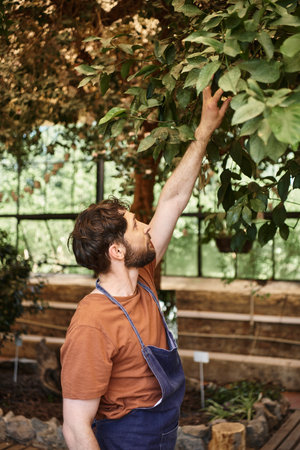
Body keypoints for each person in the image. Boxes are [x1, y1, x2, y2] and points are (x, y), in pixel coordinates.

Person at [60, 85, 231, 450]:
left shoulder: (145, 278)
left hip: (162, 435)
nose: (147, 228)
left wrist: (203, 132)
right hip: (125, 441)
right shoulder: (92, 324)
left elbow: (173, 198)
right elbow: (75, 429)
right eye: (138, 226)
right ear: (118, 251)